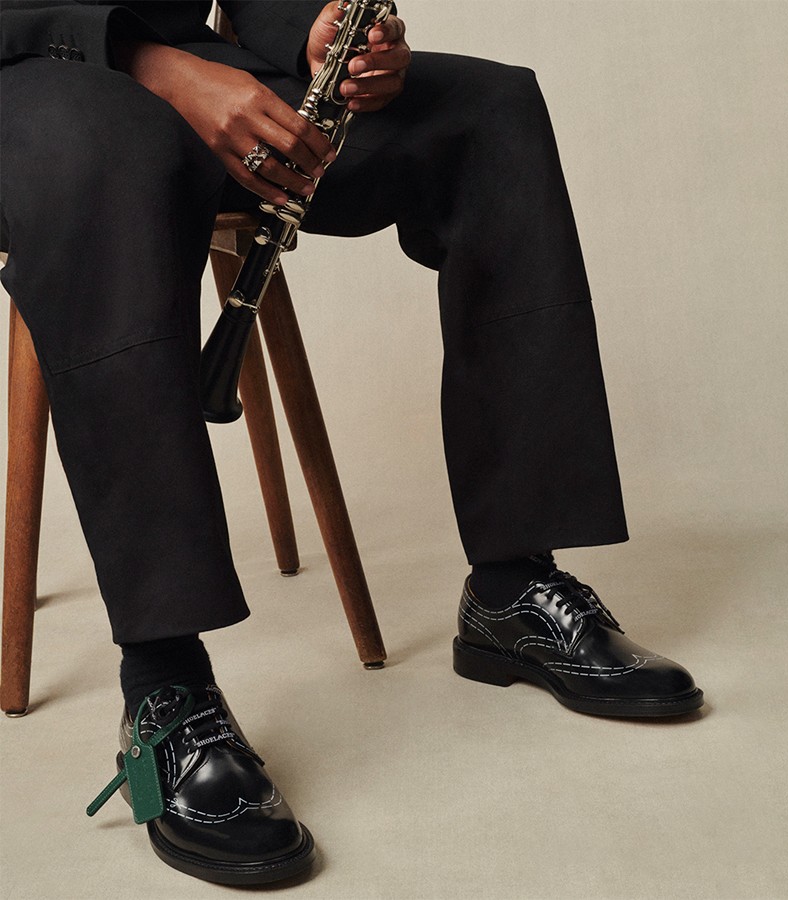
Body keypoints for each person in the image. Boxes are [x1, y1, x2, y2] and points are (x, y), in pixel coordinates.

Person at [0, 0, 704, 885]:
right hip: (33, 87)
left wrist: (318, 32)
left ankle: (513, 587)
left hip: (197, 71)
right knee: (111, 147)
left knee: (490, 110)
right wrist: (151, 65)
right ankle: (164, 689)